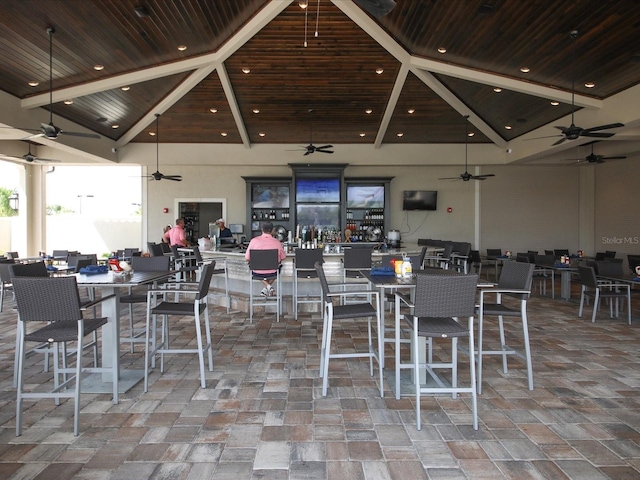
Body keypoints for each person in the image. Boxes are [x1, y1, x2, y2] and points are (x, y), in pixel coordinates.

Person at [245, 222, 286, 297]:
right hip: (273, 272)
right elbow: (283, 257)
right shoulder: (277, 242)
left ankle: (266, 288)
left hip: (257, 273)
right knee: (278, 268)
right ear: (272, 230)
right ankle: (268, 287)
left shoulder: (254, 241)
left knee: (253, 267)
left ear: (262, 230)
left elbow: (247, 258)